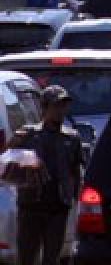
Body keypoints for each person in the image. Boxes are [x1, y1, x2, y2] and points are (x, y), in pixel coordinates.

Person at [9, 86, 85, 265]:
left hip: (58, 208)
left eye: (63, 106)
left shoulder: (72, 138)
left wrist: (75, 199)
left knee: (52, 258)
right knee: (27, 257)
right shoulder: (29, 135)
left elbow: (77, 170)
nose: (61, 111)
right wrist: (14, 143)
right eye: (56, 106)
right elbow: (8, 162)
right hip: (31, 207)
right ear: (44, 108)